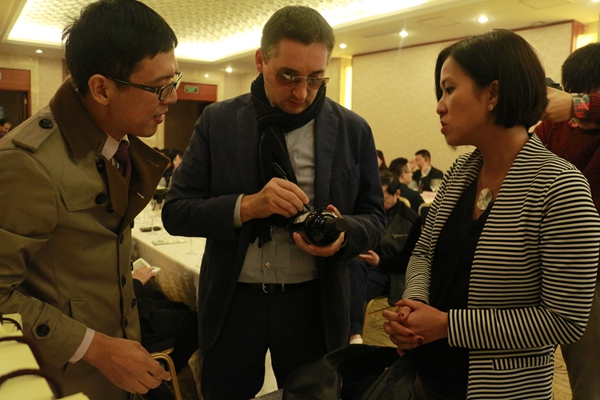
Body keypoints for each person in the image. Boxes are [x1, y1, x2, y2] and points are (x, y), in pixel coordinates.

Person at [161, 5, 386, 400]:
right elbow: (176, 212)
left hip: (313, 305)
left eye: (315, 79)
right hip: (234, 302)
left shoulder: (352, 129)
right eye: (288, 76)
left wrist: (342, 234)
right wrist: (246, 207)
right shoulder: (218, 121)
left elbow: (375, 219)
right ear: (260, 61)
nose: (302, 92)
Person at [383, 29, 600, 400]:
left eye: (449, 90)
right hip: (427, 376)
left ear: (493, 94)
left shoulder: (560, 187)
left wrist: (447, 325)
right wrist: (413, 308)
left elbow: (564, 320)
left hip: (501, 388)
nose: (439, 106)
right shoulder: (460, 172)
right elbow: (423, 251)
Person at [0, 1, 179, 399]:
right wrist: (95, 347)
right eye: (159, 87)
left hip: (119, 369)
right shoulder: (28, 163)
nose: (172, 98)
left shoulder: (117, 143)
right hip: (63, 380)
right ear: (101, 88)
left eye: (175, 80)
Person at [534, 42, 600, 400]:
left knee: (591, 381)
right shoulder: (555, 128)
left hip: (595, 272)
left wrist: (578, 104)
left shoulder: (578, 110)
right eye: (575, 91)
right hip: (554, 265)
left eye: (590, 92)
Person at [348, 170, 421, 344]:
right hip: (360, 265)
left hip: (389, 273)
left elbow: (409, 261)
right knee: (349, 273)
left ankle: (352, 333)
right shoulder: (367, 212)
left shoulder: (410, 220)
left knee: (350, 290)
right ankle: (352, 334)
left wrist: (380, 262)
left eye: (384, 198)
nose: (378, 203)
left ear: (397, 193)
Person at [132, 264, 199, 400]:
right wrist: (136, 282)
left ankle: (157, 374)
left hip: (135, 305)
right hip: (131, 320)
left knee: (181, 306)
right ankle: (157, 379)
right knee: (197, 324)